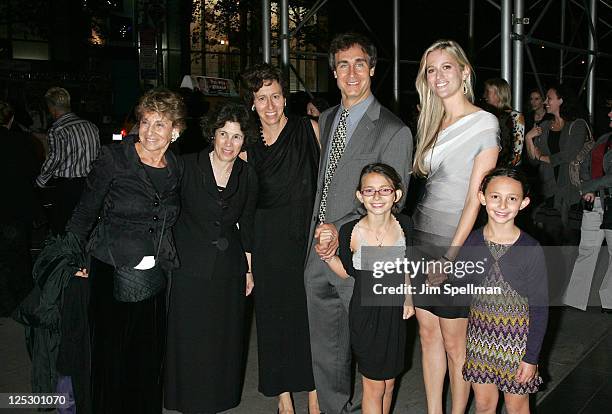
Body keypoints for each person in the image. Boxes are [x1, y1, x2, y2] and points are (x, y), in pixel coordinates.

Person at [305, 32, 413, 414]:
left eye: (359, 63)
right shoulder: (328, 117)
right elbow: (326, 183)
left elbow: (389, 207)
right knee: (326, 347)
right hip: (316, 252)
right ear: (334, 73)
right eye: (343, 65)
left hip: (363, 256)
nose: (352, 73)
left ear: (372, 68)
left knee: (374, 354)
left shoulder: (394, 130)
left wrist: (340, 231)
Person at [65, 88, 186, 413]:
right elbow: (84, 212)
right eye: (145, 122)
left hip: (154, 276)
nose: (149, 131)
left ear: (175, 130)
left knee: (147, 358)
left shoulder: (176, 167)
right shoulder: (114, 158)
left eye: (160, 124)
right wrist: (75, 258)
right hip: (111, 268)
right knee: (111, 358)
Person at [411, 39, 499, 414]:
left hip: (456, 244)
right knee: (426, 334)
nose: (438, 76)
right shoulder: (431, 121)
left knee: (454, 343)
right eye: (431, 70)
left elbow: (474, 200)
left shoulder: (484, 123)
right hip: (421, 238)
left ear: (464, 72)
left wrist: (450, 255)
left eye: (447, 67)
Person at [164, 102, 258, 413]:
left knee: (223, 335)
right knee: (188, 334)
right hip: (188, 266)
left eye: (237, 137)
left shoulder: (247, 174)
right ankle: (185, 398)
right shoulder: (187, 165)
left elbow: (246, 222)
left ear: (245, 141)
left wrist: (248, 269)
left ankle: (219, 396)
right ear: (212, 134)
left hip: (229, 268)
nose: (229, 143)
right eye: (223, 134)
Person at [240, 63, 319, 414]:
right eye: (261, 99)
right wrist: (249, 264)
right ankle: (284, 399)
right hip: (268, 244)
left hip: (306, 241)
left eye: (275, 96)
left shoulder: (310, 129)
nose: (270, 106)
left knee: (310, 321)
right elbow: (243, 210)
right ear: (252, 103)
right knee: (272, 322)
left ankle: (315, 396)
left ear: (285, 98)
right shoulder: (248, 147)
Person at [325, 163, 414, 414]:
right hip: (366, 315)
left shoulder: (405, 226)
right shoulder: (350, 231)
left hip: (394, 313)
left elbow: (407, 266)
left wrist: (408, 298)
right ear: (360, 195)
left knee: (389, 382)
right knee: (374, 386)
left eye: (384, 190)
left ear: (396, 195)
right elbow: (348, 272)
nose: (376, 196)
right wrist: (328, 258)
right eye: (369, 190)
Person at [462, 168, 548, 414]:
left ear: (524, 203)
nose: (502, 204)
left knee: (516, 406)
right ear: (482, 198)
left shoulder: (531, 248)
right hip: (480, 341)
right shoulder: (472, 241)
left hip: (517, 345)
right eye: (495, 196)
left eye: (512, 198)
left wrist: (531, 357)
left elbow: (540, 308)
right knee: (484, 405)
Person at [524, 84, 589, 245]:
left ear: (561, 101)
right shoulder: (545, 126)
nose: (545, 101)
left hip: (570, 190)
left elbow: (569, 155)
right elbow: (533, 160)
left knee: (569, 242)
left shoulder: (577, 125)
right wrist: (528, 139)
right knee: (550, 240)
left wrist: (543, 158)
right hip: (549, 190)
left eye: (549, 98)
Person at [564, 105, 612, 312]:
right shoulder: (605, 138)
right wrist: (587, 187)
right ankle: (575, 299)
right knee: (586, 250)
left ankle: (609, 301)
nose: (609, 113)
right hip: (595, 202)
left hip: (609, 204)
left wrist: (589, 187)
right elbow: (585, 163)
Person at [36, 87, 100, 234]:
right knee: (85, 228)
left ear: (52, 108)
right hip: (90, 185)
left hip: (67, 187)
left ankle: (67, 256)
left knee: (63, 228)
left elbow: (55, 158)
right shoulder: (91, 127)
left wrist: (40, 181)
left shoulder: (58, 130)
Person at [0, 100, 36, 317]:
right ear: (11, 119)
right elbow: (33, 172)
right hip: (15, 207)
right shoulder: (22, 141)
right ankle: (20, 300)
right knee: (18, 255)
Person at [484, 78, 525, 167]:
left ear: (498, 94)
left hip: (505, 169)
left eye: (488, 92)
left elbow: (517, 151)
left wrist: (505, 170)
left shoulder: (515, 116)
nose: (485, 95)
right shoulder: (486, 115)